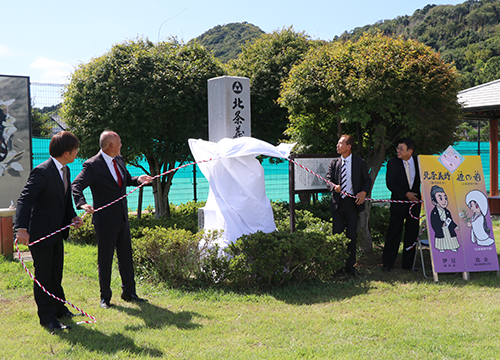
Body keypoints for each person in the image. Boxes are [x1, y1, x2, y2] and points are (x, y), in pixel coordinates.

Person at [72, 130, 152, 309]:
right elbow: (76, 184)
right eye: (120, 142)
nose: (122, 145)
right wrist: (82, 203)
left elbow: (124, 180)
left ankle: (129, 293)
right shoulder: (92, 165)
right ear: (111, 146)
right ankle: (105, 298)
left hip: (122, 217)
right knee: (105, 259)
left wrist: (138, 179)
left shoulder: (120, 160)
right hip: (105, 221)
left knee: (126, 256)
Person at [14, 131, 84, 331]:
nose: (77, 152)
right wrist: (21, 229)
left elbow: (64, 201)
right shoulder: (42, 171)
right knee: (43, 276)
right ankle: (47, 318)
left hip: (57, 233)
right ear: (67, 152)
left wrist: (73, 217)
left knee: (55, 273)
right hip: (40, 233)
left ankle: (59, 308)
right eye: (76, 149)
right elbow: (24, 200)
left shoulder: (66, 170)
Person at [326, 135, 371, 276]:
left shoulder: (359, 163)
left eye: (340, 143)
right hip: (338, 204)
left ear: (349, 146)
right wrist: (334, 187)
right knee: (337, 235)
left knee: (352, 235)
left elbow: (367, 180)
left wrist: (363, 192)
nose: (337, 145)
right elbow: (327, 180)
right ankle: (337, 267)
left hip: (353, 203)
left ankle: (350, 266)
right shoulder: (334, 163)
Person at [382, 138, 421, 271]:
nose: (398, 151)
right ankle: (388, 264)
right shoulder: (393, 163)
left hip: (414, 204)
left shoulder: (418, 162)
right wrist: (406, 194)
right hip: (398, 203)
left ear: (410, 151)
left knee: (412, 232)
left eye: (401, 149)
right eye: (397, 148)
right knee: (394, 232)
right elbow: (390, 184)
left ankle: (409, 264)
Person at [429, 185, 460, 252]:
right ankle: (441, 248)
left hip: (448, 229)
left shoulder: (447, 212)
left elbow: (451, 220)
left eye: (445, 198)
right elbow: (434, 223)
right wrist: (442, 224)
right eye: (440, 199)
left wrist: (455, 226)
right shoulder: (434, 212)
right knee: (442, 240)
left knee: (450, 239)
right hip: (441, 230)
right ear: (434, 202)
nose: (444, 201)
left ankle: (452, 247)